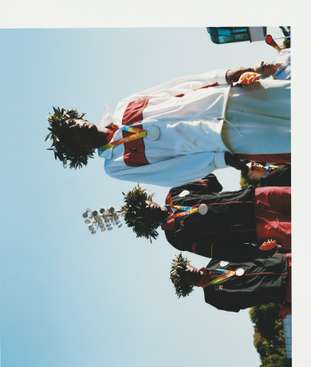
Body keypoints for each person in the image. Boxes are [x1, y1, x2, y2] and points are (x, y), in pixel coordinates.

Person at [46, 62, 290, 187]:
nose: (77, 127)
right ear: (78, 150)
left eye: (73, 123)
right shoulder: (116, 166)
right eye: (72, 135)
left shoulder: (124, 105)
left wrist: (225, 75)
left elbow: (176, 87)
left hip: (228, 99)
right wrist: (220, 160)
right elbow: (170, 173)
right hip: (225, 139)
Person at [121, 176, 291, 261]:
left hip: (253, 197)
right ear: (148, 225)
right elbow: (219, 250)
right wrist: (256, 252)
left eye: (144, 204)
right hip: (254, 227)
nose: (148, 207)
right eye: (144, 213)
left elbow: (212, 182)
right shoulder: (176, 238)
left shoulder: (174, 194)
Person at [169, 253, 291, 313]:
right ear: (190, 284)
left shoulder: (216, 259)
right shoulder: (213, 298)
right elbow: (244, 302)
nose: (189, 269)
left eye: (187, 267)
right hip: (282, 289)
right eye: (186, 274)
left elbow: (247, 252)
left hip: (282, 261)